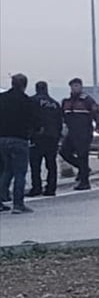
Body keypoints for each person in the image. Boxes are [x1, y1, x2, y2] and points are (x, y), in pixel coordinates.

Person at [0, 73, 38, 213]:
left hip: (2, 139)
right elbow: (34, 121)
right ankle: (18, 204)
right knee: (19, 172)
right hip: (19, 139)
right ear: (24, 85)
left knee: (5, 170)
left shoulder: (2, 98)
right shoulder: (27, 101)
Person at [60, 77, 99, 191]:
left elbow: (97, 114)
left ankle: (85, 182)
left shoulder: (87, 100)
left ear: (81, 87)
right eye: (73, 86)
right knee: (64, 152)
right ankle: (83, 168)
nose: (75, 88)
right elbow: (61, 116)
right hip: (72, 133)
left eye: (77, 86)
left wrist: (98, 126)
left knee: (83, 156)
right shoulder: (66, 102)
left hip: (84, 132)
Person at [28, 81, 64, 197]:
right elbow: (59, 122)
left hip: (38, 137)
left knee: (35, 164)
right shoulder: (54, 104)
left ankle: (36, 187)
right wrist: (58, 136)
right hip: (52, 137)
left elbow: (30, 117)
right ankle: (51, 188)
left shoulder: (32, 101)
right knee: (51, 163)